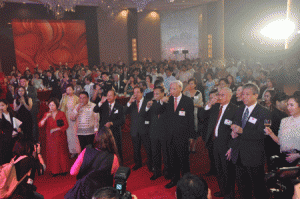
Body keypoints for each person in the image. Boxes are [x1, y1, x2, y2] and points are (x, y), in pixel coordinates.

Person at [227, 83, 270, 199]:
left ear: (256, 95)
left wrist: (241, 131)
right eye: (243, 94)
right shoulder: (239, 109)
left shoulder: (264, 112)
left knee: (258, 188)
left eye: (247, 94)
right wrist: (233, 133)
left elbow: (263, 134)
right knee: (242, 187)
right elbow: (235, 126)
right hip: (239, 154)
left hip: (254, 157)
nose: (244, 97)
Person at [65, 127, 120, 199]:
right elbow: (117, 177)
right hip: (102, 194)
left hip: (84, 192)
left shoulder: (86, 151)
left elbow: (73, 172)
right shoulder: (113, 158)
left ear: (96, 138)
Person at [159, 80, 195, 189]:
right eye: (170, 89)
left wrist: (192, 136)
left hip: (182, 136)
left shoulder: (187, 101)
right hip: (169, 136)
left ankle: (186, 183)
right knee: (172, 159)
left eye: (174, 89)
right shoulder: (168, 100)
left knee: (184, 160)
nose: (172, 91)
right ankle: (174, 180)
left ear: (180, 88)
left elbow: (191, 119)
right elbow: (159, 112)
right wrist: (161, 101)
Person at [204, 88, 237, 198]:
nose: (219, 97)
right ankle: (222, 190)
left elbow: (236, 131)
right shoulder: (215, 107)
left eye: (222, 95)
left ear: (229, 96)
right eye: (219, 94)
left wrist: (232, 147)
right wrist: (209, 104)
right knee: (218, 168)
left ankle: (230, 193)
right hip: (215, 142)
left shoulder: (235, 109)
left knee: (227, 170)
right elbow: (202, 117)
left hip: (226, 144)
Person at [264, 94, 300, 167]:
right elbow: (280, 142)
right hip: (283, 157)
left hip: (297, 159)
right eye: (288, 105)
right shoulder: (284, 120)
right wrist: (271, 133)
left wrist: (297, 155)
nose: (288, 107)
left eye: (292, 105)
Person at [145, 86, 171, 180]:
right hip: (154, 133)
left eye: (157, 94)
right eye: (154, 93)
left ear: (163, 94)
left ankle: (168, 172)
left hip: (165, 133)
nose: (155, 95)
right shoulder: (152, 104)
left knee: (166, 154)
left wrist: (162, 102)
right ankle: (157, 172)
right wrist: (147, 107)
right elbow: (146, 116)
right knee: (155, 153)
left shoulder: (168, 103)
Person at [38, 98, 70, 176]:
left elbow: (66, 125)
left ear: (57, 106)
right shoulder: (46, 114)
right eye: (50, 105)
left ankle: (64, 170)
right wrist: (46, 118)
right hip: (51, 137)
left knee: (62, 153)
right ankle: (54, 171)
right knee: (53, 154)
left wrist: (57, 129)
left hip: (60, 136)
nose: (51, 107)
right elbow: (40, 124)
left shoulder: (61, 113)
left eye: (53, 105)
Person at [124, 87, 152, 171]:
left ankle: (151, 164)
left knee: (148, 148)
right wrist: (129, 102)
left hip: (145, 129)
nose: (135, 94)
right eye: (134, 92)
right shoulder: (132, 103)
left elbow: (150, 115)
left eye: (137, 92)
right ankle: (138, 163)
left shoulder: (148, 101)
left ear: (142, 93)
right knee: (136, 148)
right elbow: (124, 111)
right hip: (134, 129)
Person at [93, 90, 125, 164]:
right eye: (107, 95)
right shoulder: (103, 105)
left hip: (115, 132)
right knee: (105, 149)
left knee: (117, 149)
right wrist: (101, 102)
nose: (108, 97)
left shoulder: (119, 107)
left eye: (110, 95)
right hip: (104, 132)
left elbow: (122, 121)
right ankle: (106, 164)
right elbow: (95, 109)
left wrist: (112, 123)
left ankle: (119, 164)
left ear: (115, 97)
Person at [260, 90, 288, 168]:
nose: (286, 104)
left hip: (271, 147)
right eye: (285, 102)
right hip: (276, 147)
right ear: (277, 102)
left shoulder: (272, 113)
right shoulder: (282, 116)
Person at [59, 84, 81, 158]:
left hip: (75, 117)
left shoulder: (77, 98)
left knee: (76, 135)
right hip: (67, 117)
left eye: (70, 89)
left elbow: (80, 108)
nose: (68, 91)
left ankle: (78, 151)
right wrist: (62, 98)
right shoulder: (65, 98)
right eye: (67, 90)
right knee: (69, 135)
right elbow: (61, 107)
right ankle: (72, 151)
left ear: (73, 90)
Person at [183, 78, 203, 153]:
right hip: (186, 114)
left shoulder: (198, 93)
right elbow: (180, 99)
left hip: (195, 114)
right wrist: (185, 90)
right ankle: (188, 146)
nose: (190, 85)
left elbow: (201, 104)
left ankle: (193, 146)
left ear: (195, 85)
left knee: (195, 130)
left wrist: (192, 104)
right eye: (189, 83)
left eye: (192, 83)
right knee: (187, 130)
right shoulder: (186, 93)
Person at [0, 99, 22, 165]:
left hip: (14, 137)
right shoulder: (1, 116)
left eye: (2, 105)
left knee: (14, 156)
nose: (1, 107)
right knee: (5, 157)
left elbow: (17, 122)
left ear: (7, 105)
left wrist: (19, 128)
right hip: (4, 139)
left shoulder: (11, 113)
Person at [20, 76, 39, 142]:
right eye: (21, 82)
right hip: (24, 111)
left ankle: (34, 140)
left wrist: (25, 92)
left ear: (27, 81)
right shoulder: (19, 90)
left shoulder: (32, 88)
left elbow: (35, 95)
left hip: (32, 109)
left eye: (24, 81)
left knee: (33, 124)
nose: (22, 83)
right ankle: (26, 139)